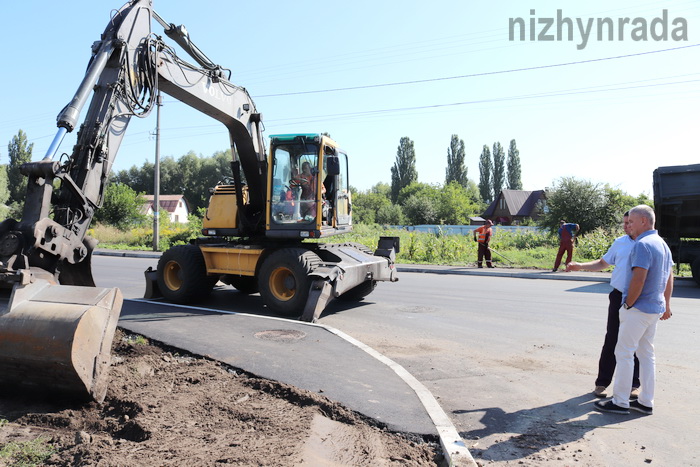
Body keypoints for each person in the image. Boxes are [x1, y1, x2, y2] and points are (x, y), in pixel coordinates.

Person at [595, 205, 673, 415]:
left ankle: (620, 402)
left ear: (644, 222)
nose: (628, 224)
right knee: (646, 354)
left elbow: (639, 278)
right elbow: (668, 277)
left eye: (632, 221)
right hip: (654, 308)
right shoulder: (662, 244)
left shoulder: (643, 244)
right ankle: (646, 401)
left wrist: (628, 304)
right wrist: (667, 303)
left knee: (624, 352)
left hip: (638, 308)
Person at [566, 212, 640, 398]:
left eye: (629, 222)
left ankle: (634, 385)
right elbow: (602, 263)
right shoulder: (620, 242)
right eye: (624, 222)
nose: (625, 226)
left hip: (640, 299)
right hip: (618, 297)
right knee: (612, 340)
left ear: (640, 222)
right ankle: (602, 383)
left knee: (636, 342)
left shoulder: (649, 243)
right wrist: (580, 266)